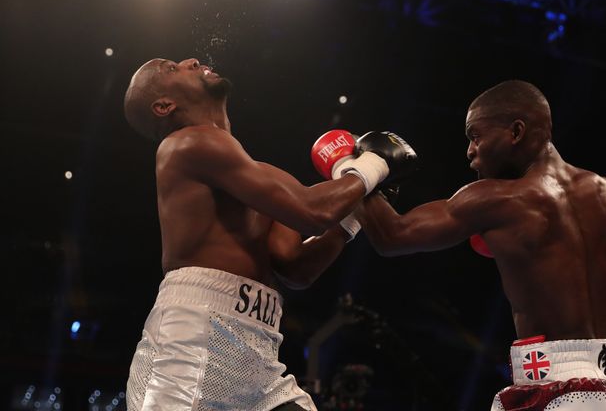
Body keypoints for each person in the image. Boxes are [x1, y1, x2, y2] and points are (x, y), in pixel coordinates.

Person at [122, 57, 414, 411]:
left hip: (258, 352)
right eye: (173, 68)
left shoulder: (254, 175)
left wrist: (353, 212)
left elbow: (294, 266)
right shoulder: (186, 144)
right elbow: (313, 212)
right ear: (164, 105)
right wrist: (372, 166)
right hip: (189, 346)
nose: (191, 60)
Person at [353, 80, 606, 410]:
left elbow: (392, 236)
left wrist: (354, 168)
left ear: (515, 132)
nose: (470, 151)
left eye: (475, 136)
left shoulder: (499, 199)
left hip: (558, 386)